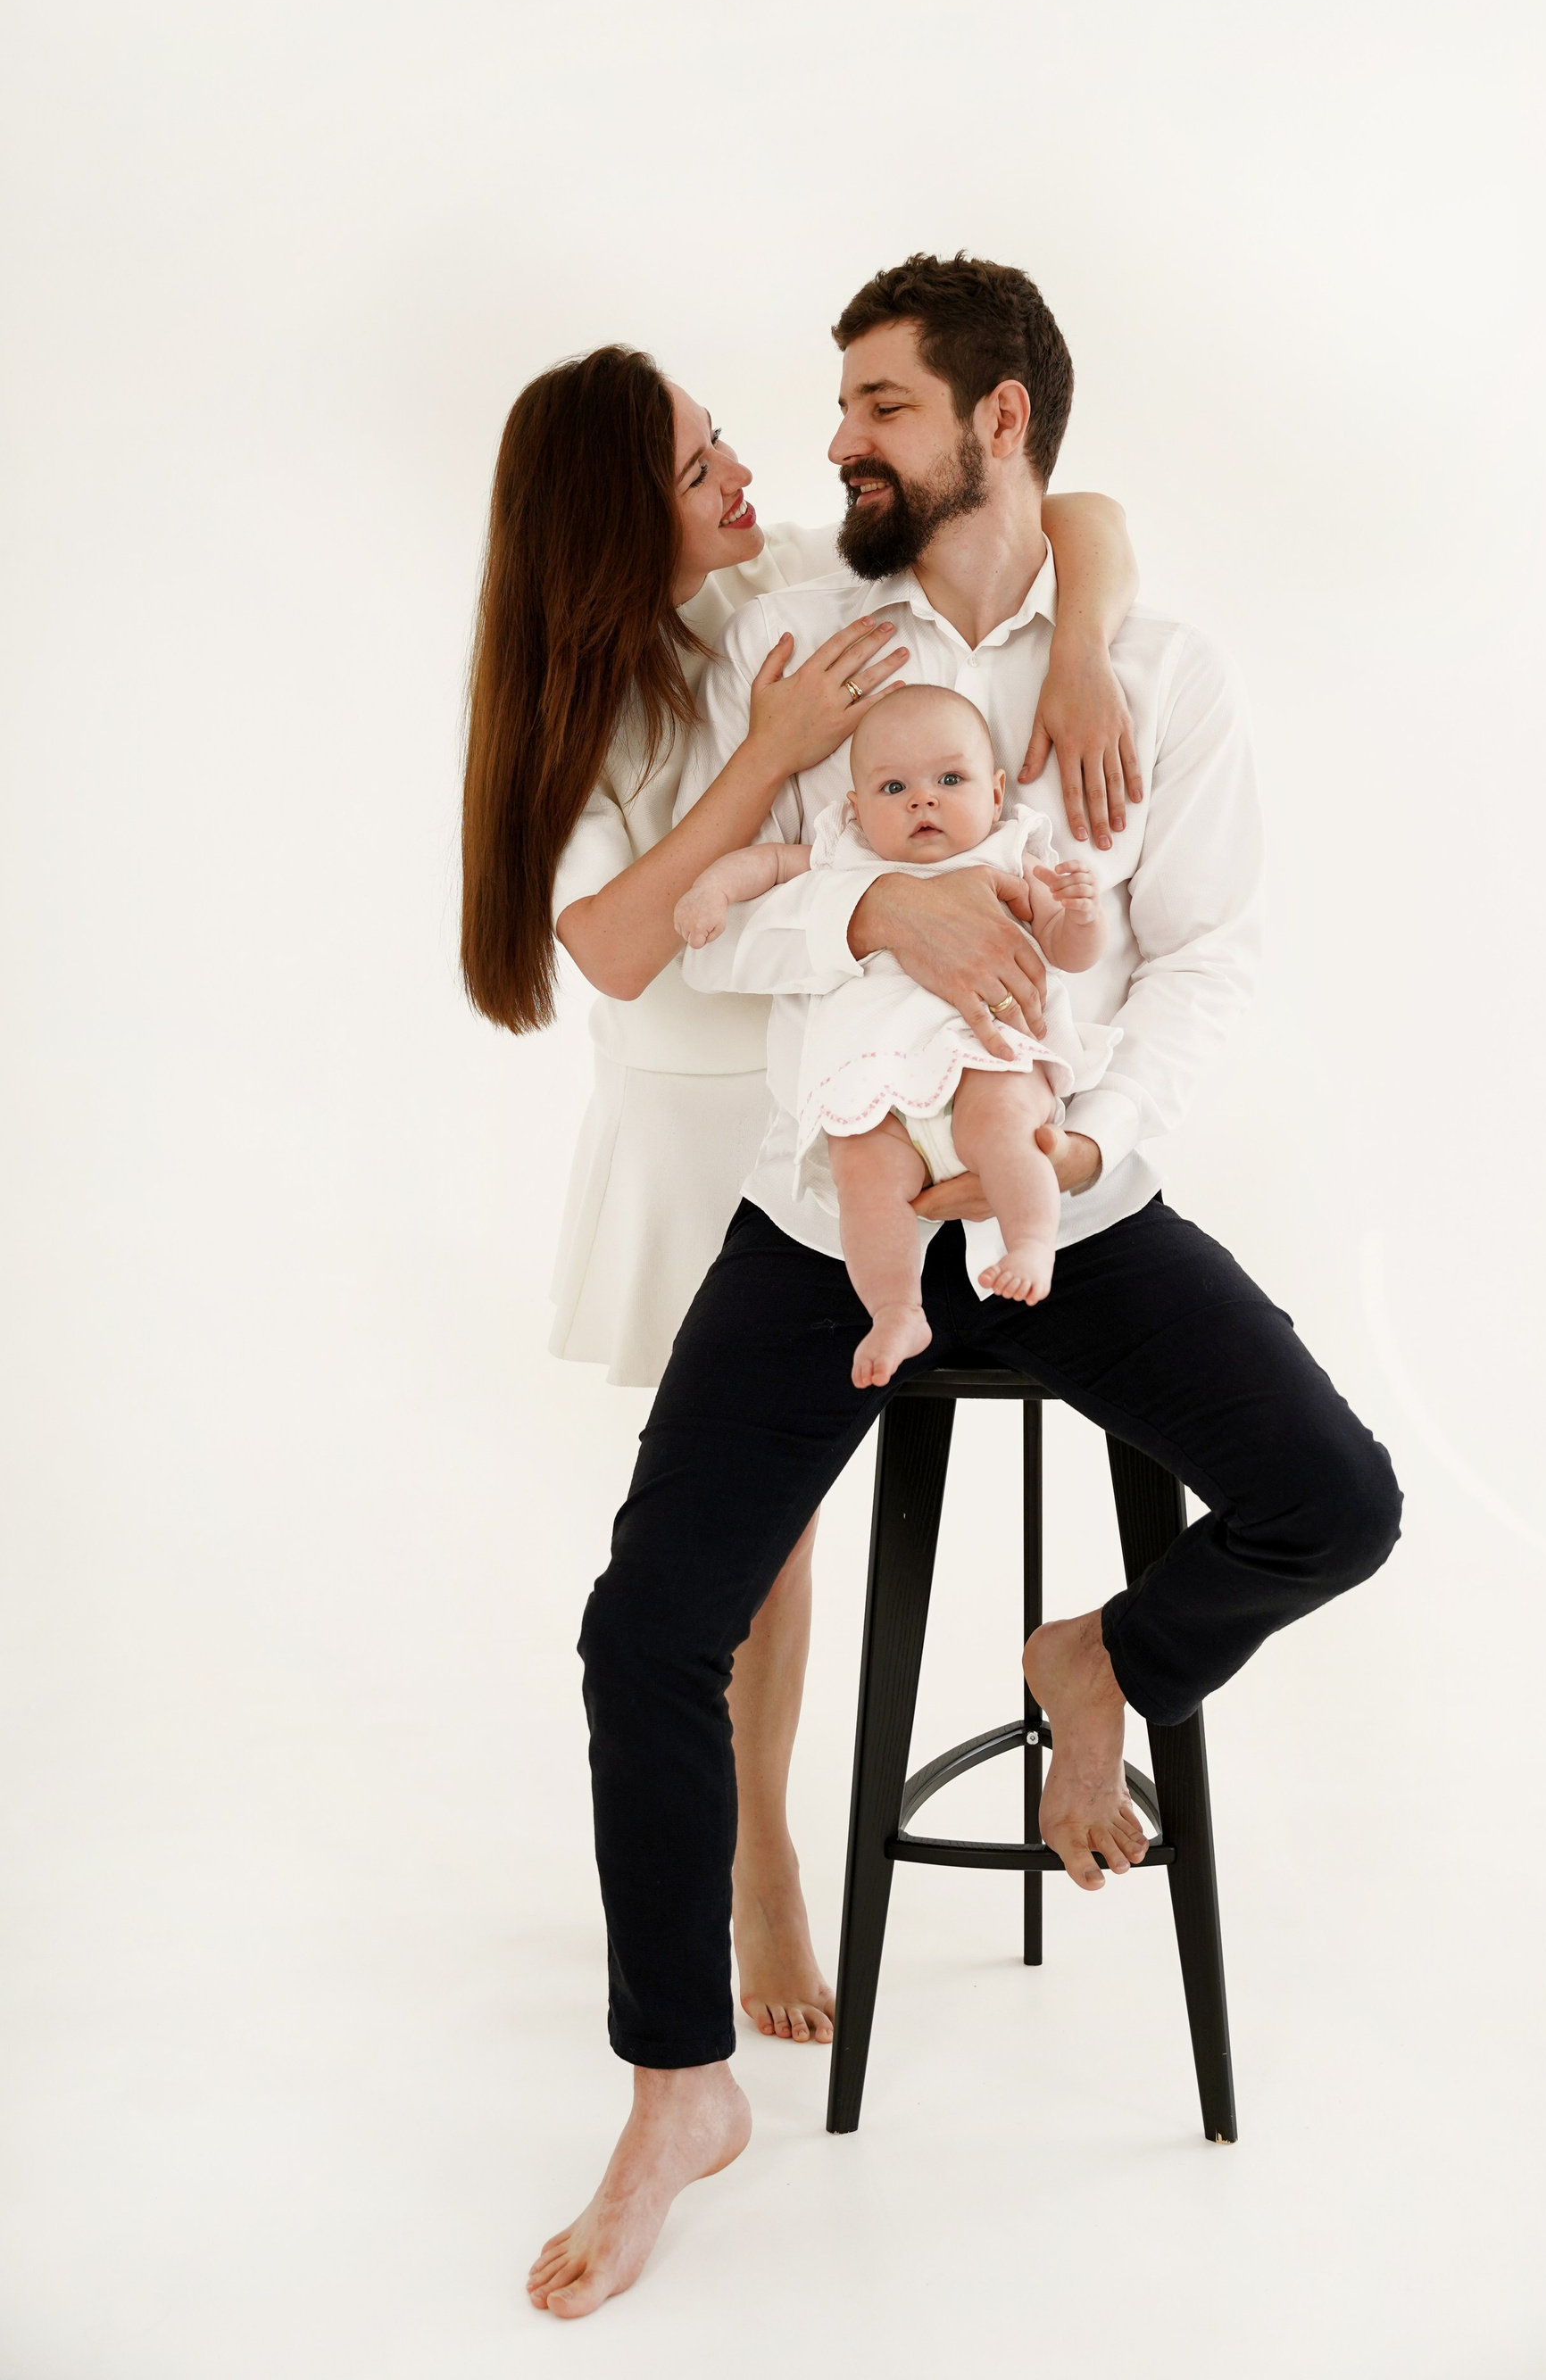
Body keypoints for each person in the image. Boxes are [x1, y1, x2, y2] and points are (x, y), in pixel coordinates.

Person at [528, 253, 1403, 2320]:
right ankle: (677, 2089)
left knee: (1337, 1502)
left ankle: (1102, 1658)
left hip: (1066, 1199)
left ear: (999, 421)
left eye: (880, 404)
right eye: (839, 403)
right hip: (828, 1216)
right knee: (644, 1628)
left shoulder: (1153, 670)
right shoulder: (809, 638)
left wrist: (1087, 1153)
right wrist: (881, 912)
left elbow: (1208, 955)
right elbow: (724, 916)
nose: (836, 439)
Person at [461, 344, 1145, 2047]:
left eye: (721, 447)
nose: (743, 475)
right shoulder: (583, 699)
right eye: (700, 465)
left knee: (781, 1532)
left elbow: (1075, 512)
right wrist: (768, 752)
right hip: (697, 1126)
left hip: (841, 1087)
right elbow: (617, 948)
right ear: (615, 517)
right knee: (741, 1543)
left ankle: (755, 1845)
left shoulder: (775, 579)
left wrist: (1079, 652)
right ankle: (756, 1856)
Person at [674, 683, 1114, 1380]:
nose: (922, 801)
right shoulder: (844, 853)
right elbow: (766, 864)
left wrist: (1081, 918)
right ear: (855, 808)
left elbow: (1069, 952)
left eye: (950, 780)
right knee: (863, 1179)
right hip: (874, 1087)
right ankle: (895, 1311)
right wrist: (712, 891)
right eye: (894, 787)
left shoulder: (1008, 854)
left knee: (1006, 1129)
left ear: (996, 793)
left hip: (985, 1060)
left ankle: (1032, 1243)